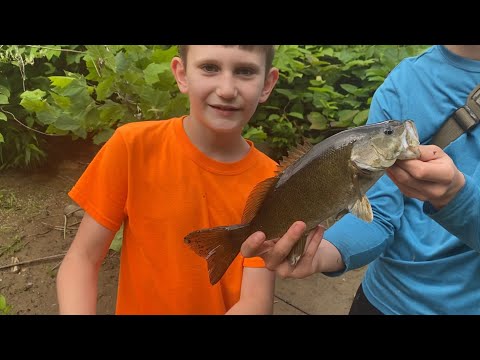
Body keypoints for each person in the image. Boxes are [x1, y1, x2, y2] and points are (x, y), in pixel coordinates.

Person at [241, 45, 480, 315]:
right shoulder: (404, 82)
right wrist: (321, 252)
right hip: (383, 300)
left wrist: (457, 198)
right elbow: (377, 213)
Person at [56, 45, 280, 314]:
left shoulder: (272, 181)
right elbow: (82, 259)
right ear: (182, 74)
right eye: (210, 68)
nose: (227, 89)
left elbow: (256, 299)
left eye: (245, 71)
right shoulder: (132, 146)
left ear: (267, 84)